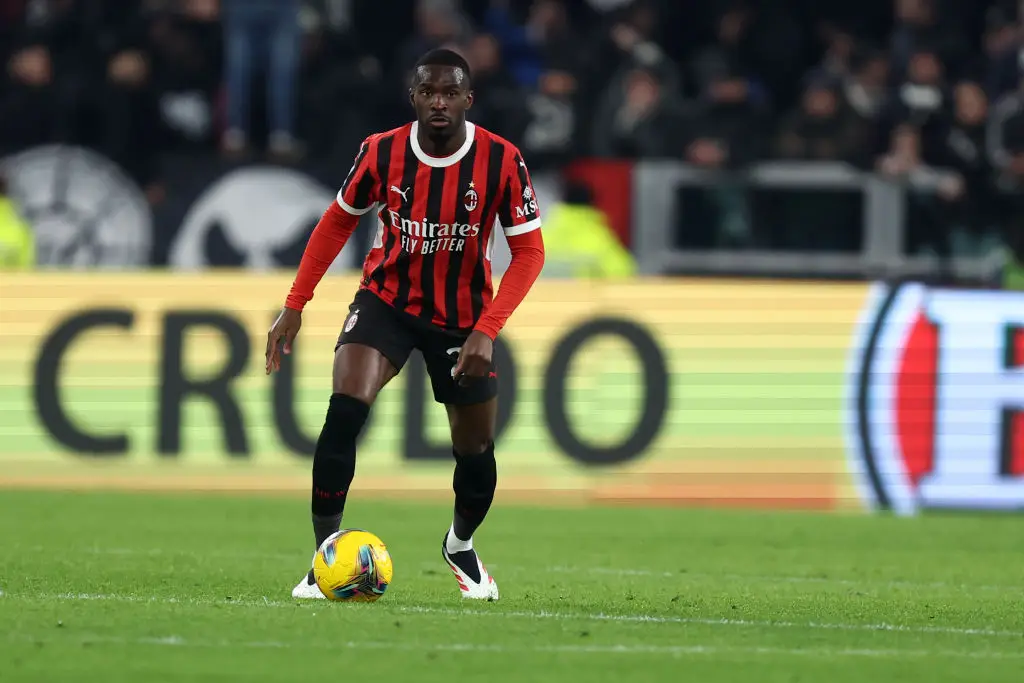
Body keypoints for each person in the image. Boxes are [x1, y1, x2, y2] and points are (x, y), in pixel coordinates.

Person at [266, 48, 546, 601]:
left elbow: (530, 252)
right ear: (413, 97)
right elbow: (335, 224)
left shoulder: (501, 160)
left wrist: (487, 329)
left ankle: (460, 545)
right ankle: (326, 559)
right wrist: (295, 303)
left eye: (450, 93)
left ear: (469, 99)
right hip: (386, 301)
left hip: (463, 319)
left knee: (476, 454)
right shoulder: (380, 152)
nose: (438, 102)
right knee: (345, 409)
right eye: (428, 92)